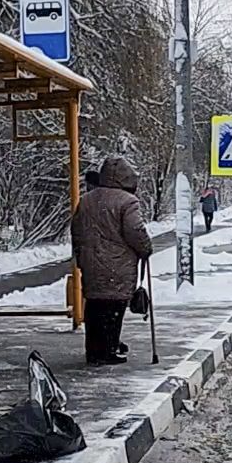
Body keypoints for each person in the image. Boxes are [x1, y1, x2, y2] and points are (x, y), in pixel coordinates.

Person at [71, 156, 153, 366]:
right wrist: (145, 248)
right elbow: (134, 230)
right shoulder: (127, 201)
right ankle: (108, 350)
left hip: (90, 263)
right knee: (114, 307)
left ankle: (93, 351)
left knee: (94, 306)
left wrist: (81, 256)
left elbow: (77, 230)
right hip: (117, 264)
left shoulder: (87, 199)